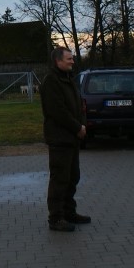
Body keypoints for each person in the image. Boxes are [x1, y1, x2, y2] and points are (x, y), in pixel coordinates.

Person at [39, 46, 89, 232]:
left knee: (72, 177)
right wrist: (77, 127)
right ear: (58, 61)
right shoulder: (51, 82)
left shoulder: (68, 79)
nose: (72, 61)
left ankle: (69, 212)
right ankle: (56, 218)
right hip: (60, 139)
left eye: (72, 58)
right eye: (69, 59)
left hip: (72, 138)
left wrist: (82, 125)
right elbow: (58, 111)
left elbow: (78, 105)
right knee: (60, 179)